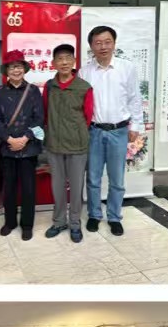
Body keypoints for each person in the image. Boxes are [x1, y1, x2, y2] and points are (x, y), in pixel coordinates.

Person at [83, 25, 144, 237]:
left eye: (107, 42)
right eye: (98, 43)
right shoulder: (85, 72)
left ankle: (114, 217)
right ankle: (94, 215)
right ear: (91, 46)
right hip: (94, 131)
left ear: (114, 44)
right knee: (93, 178)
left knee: (117, 179)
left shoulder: (127, 68)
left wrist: (136, 126)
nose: (103, 47)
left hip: (119, 131)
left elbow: (135, 98)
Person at [0, 50, 44, 240]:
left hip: (29, 148)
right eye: (12, 67)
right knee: (9, 188)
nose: (16, 70)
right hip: (8, 148)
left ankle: (27, 225)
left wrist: (25, 138)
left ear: (24, 69)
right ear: (6, 70)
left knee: (29, 189)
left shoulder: (33, 91)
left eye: (19, 66)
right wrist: (9, 139)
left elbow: (39, 119)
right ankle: (10, 222)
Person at [43, 43, 94, 242]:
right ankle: (58, 222)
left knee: (76, 185)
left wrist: (75, 131)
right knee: (57, 186)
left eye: (68, 58)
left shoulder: (84, 87)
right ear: (53, 63)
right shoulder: (49, 86)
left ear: (74, 61)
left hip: (77, 144)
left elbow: (88, 116)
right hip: (54, 144)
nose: (64, 62)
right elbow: (45, 113)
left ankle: (74, 223)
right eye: (60, 59)